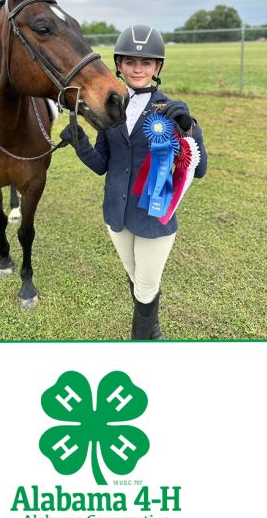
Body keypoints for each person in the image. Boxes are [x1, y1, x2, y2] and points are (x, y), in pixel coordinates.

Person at [60, 25, 208, 339]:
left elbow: (199, 169)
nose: (137, 68)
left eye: (146, 63)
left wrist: (189, 129)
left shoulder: (171, 111)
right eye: (130, 62)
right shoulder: (110, 106)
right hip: (117, 213)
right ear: (118, 65)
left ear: (157, 68)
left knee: (144, 287)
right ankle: (149, 327)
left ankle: (146, 337)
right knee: (136, 278)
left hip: (153, 217)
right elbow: (102, 164)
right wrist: (79, 142)